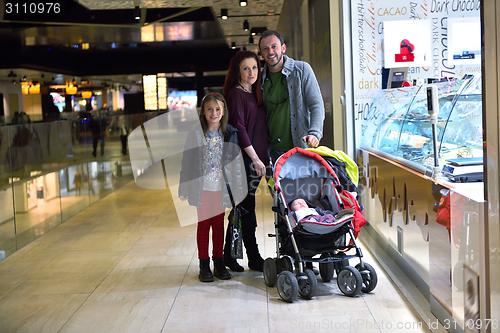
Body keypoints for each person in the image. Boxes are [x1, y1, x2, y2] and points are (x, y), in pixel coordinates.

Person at [178, 93, 244, 282]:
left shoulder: (230, 133)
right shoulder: (195, 133)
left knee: (218, 225)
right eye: (209, 109)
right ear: (203, 112)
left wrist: (237, 191)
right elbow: (187, 161)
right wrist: (184, 188)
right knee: (203, 225)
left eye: (217, 109)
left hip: (221, 188)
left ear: (223, 112)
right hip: (202, 187)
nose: (213, 113)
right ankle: (204, 265)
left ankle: (219, 263)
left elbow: (236, 165)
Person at [221, 50, 268, 273]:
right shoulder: (235, 95)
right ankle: (253, 256)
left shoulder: (256, 93)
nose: (251, 72)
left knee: (242, 208)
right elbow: (239, 128)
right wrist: (256, 159)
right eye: (246, 68)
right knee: (247, 208)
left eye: (255, 68)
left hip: (256, 160)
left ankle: (228, 255)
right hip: (243, 160)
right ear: (237, 71)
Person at [259, 30, 325, 161]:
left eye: (274, 46)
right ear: (261, 53)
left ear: (283, 48)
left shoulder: (302, 70)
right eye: (265, 49)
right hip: (272, 151)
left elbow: (316, 105)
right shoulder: (259, 78)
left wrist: (315, 133)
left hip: (300, 148)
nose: (270, 51)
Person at [289, 198, 354, 224]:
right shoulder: (294, 213)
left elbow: (324, 212)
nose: (301, 204)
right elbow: (291, 221)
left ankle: (336, 217)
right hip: (305, 221)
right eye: (297, 204)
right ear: (292, 208)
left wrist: (334, 214)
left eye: (303, 203)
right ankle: (314, 223)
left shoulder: (313, 209)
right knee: (309, 220)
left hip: (319, 219)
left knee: (328, 215)